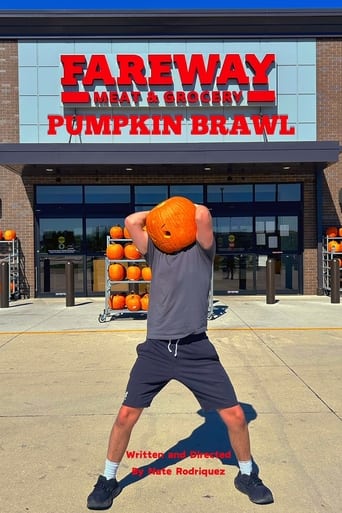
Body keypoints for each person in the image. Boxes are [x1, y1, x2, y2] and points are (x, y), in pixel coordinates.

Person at [87, 202, 274, 510]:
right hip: (156, 350)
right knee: (125, 417)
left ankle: (247, 474)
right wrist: (160, 212)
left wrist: (180, 207)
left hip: (195, 349)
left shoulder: (202, 252)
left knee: (237, 417)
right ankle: (108, 479)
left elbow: (202, 215)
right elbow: (132, 221)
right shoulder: (155, 253)